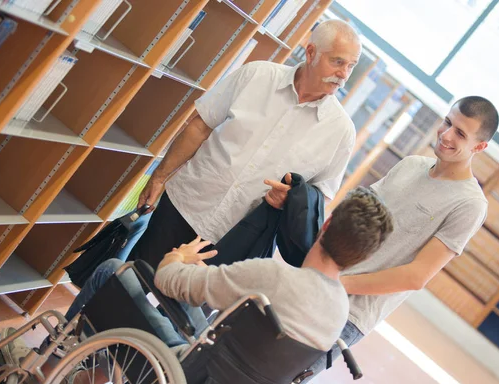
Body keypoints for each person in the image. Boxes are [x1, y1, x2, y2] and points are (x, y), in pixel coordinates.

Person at [3, 187, 393, 384]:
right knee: (197, 325)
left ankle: (42, 371)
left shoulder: (273, 276)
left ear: (323, 229)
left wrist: (179, 257)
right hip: (214, 383)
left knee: (112, 270)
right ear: (359, 258)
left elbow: (170, 284)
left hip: (181, 378)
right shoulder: (337, 317)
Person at [285, 96, 499, 384]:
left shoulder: (470, 204)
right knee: (243, 357)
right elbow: (350, 214)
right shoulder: (411, 165)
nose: (447, 135)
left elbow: (416, 276)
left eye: (461, 134)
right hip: (317, 284)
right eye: (448, 122)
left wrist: (338, 284)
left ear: (479, 147)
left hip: (349, 314)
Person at [127, 19, 363, 268]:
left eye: (351, 66)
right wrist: (159, 177)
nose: (344, 74)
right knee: (130, 283)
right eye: (337, 61)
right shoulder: (256, 75)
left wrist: (290, 201)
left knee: (181, 307)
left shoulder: (341, 132)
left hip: (236, 241)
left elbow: (319, 198)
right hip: (185, 205)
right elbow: (200, 126)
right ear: (311, 52)